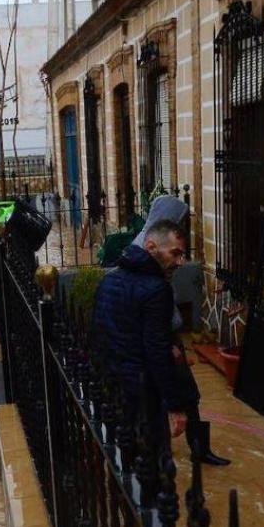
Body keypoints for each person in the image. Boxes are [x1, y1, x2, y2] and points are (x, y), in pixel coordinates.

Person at [132, 197, 230, 466]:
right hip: (157, 337)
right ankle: (164, 453)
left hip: (166, 335)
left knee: (186, 393)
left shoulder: (158, 248)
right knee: (163, 395)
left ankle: (196, 450)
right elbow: (150, 306)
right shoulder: (147, 252)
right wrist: (168, 344)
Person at [91, 218, 190, 472]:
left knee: (123, 462)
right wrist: (175, 406)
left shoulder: (110, 280)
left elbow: (99, 336)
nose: (180, 262)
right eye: (175, 253)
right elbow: (156, 351)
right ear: (151, 247)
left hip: (111, 388)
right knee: (153, 469)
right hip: (143, 393)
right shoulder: (157, 289)